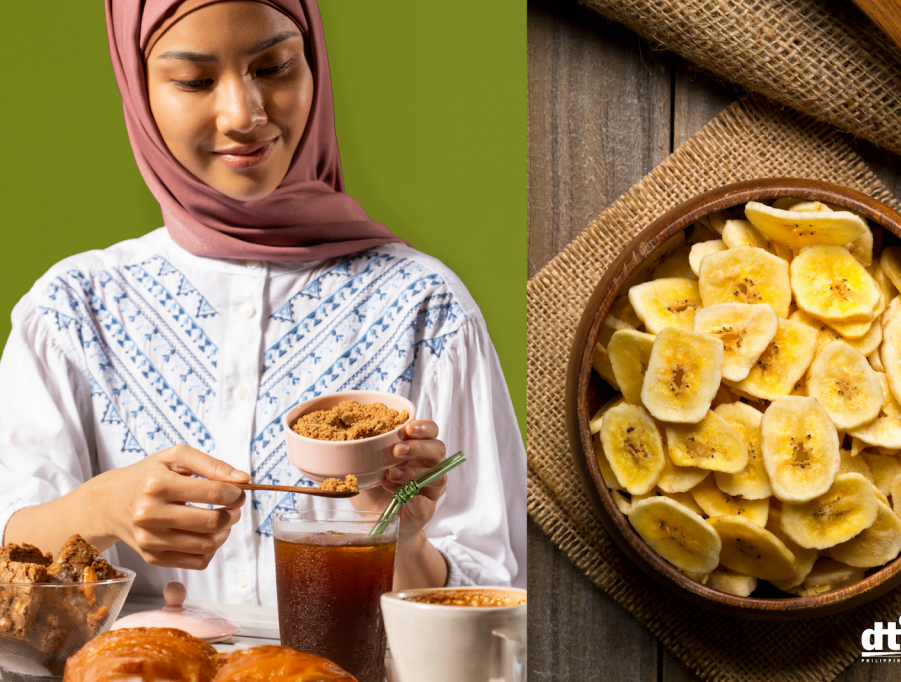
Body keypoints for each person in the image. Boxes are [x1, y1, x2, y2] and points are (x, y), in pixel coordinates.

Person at [0, 0, 525, 604]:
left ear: (314, 64)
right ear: (138, 89)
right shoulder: (72, 310)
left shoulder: (425, 308)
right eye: (195, 81)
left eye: (274, 66)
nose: (243, 114)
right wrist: (100, 510)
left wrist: (401, 541)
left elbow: (491, 612)